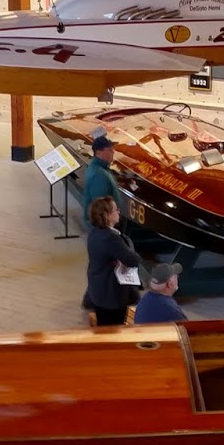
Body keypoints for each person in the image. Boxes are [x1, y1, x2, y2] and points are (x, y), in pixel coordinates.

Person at [85, 196, 141, 327]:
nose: (119, 212)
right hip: (111, 295)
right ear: (106, 215)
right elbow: (133, 260)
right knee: (113, 329)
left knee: (103, 325)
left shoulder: (95, 232)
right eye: (116, 210)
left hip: (99, 290)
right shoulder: (110, 238)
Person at [81, 134, 122, 216]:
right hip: (103, 224)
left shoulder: (98, 168)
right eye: (109, 150)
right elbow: (100, 208)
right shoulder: (99, 176)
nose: (113, 152)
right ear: (99, 152)